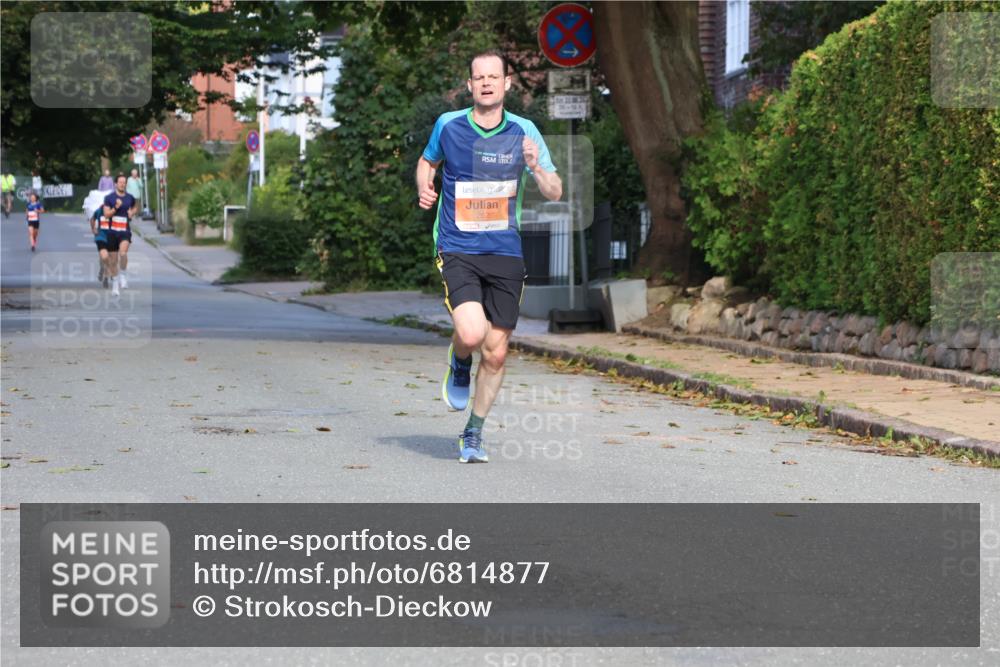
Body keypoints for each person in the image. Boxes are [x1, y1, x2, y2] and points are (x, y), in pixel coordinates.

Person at [416, 49, 562, 463]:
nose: (485, 83)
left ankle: (473, 435)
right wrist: (424, 187)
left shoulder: (525, 131)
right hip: (457, 245)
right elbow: (427, 163)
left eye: (493, 77)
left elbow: (555, 191)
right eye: (478, 77)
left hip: (504, 251)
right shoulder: (448, 125)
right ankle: (459, 360)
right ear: (469, 85)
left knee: (497, 351)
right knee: (472, 333)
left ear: (506, 84)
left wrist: (536, 167)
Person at [102, 173, 137, 296]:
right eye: (120, 182)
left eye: (124, 182)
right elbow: (106, 214)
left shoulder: (130, 197)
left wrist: (131, 213)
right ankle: (115, 285)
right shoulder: (109, 198)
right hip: (112, 232)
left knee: (123, 253)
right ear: (115, 184)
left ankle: (123, 274)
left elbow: (134, 207)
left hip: (125, 231)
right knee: (113, 260)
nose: (123, 184)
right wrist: (115, 208)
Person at [90, 206, 113, 288]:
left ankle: (106, 276)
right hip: (101, 237)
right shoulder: (99, 211)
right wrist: (93, 229)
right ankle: (103, 269)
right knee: (103, 256)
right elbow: (92, 218)